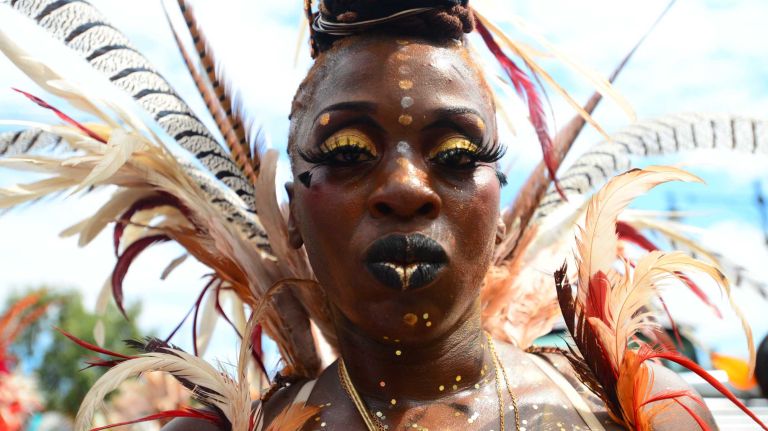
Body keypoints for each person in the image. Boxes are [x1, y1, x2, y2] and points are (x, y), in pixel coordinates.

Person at [158, 2, 715, 429]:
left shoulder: (646, 414)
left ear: (499, 215)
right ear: (294, 216)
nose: (405, 189)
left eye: (454, 156)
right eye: (349, 152)